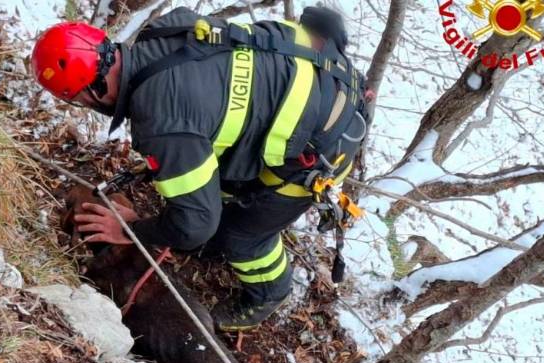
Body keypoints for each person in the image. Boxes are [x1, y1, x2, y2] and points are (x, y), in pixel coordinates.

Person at [31, 6, 370, 331]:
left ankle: (270, 292)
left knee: (240, 237)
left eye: (77, 99)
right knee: (214, 185)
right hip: (327, 72)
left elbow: (195, 226)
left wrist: (132, 230)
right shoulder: (164, 29)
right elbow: (209, 106)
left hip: (326, 145)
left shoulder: (160, 122)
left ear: (94, 89)